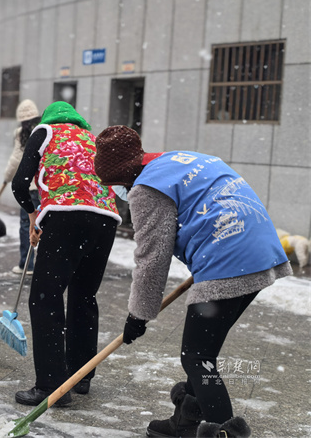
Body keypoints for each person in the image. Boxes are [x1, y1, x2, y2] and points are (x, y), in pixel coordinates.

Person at [93, 125, 292, 438]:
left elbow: (152, 259)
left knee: (197, 356)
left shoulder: (146, 188)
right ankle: (185, 422)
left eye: (116, 184)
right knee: (203, 350)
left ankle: (225, 432)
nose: (120, 192)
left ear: (122, 175)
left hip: (228, 256)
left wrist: (138, 315)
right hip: (259, 248)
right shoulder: (175, 161)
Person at [11, 101, 121, 406]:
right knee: (84, 296)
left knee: (45, 297)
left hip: (66, 216)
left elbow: (20, 184)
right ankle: (80, 375)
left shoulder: (44, 132)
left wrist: (33, 214)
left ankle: (51, 385)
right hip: (106, 219)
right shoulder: (91, 138)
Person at [3, 99, 41, 275]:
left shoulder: (21, 133)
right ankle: (45, 265)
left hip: (30, 186)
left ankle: (27, 264)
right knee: (46, 225)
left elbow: (16, 159)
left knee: (27, 225)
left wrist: (7, 177)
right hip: (45, 187)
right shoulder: (44, 130)